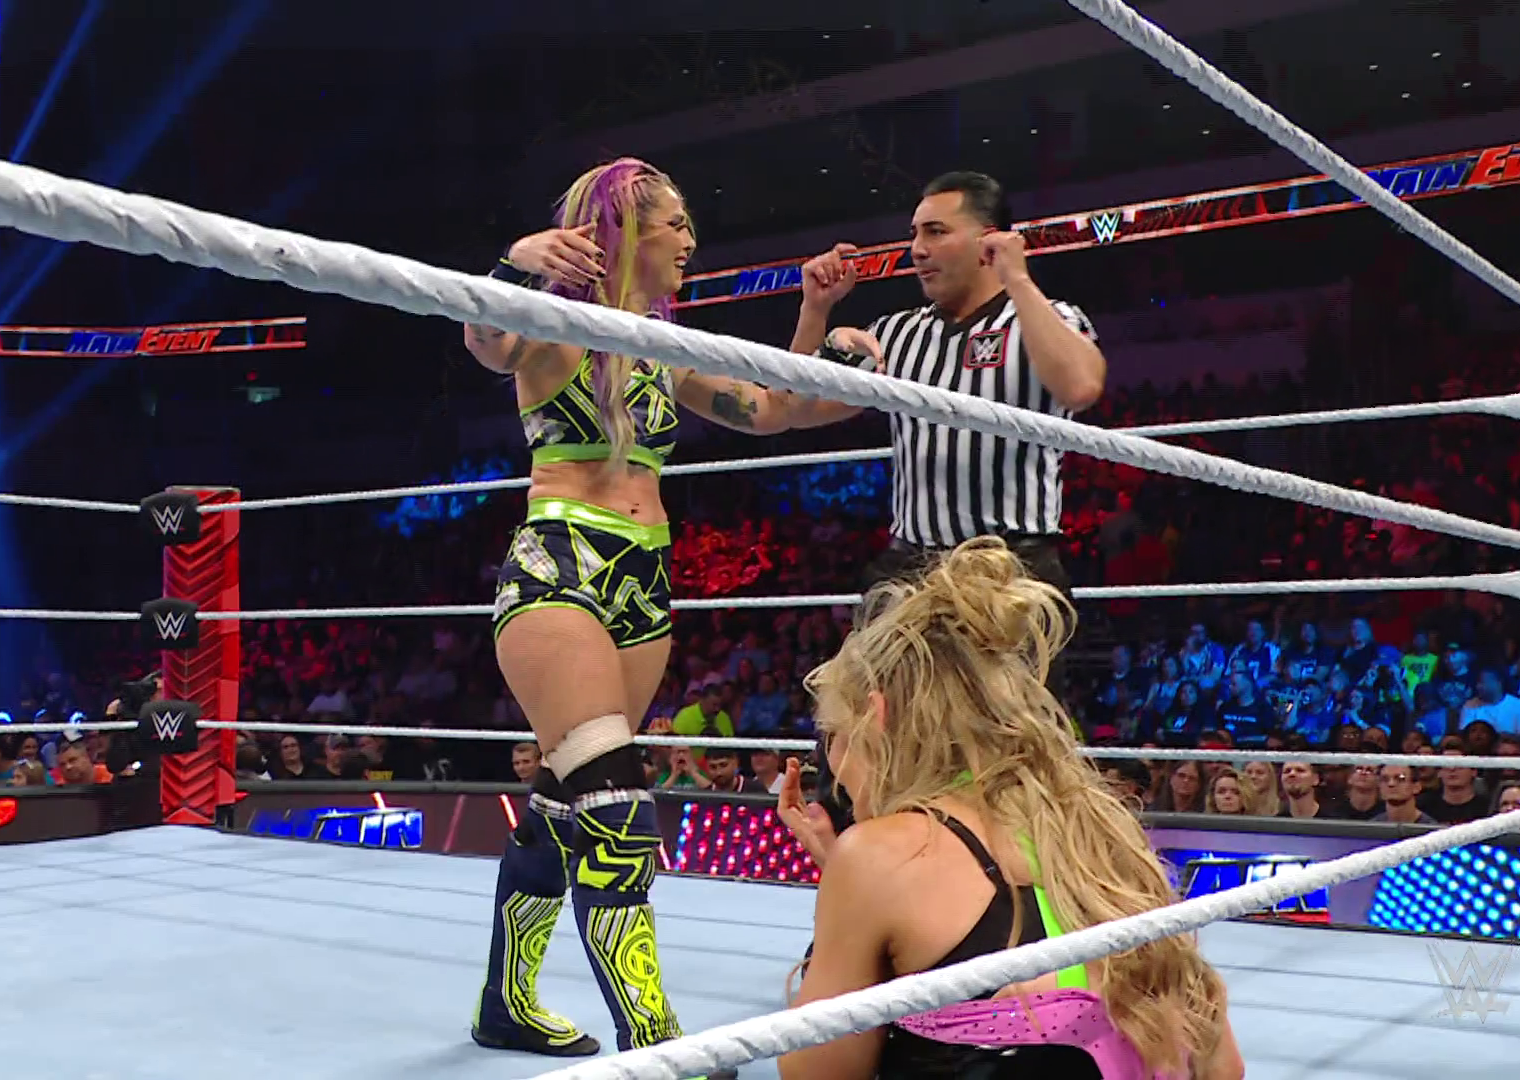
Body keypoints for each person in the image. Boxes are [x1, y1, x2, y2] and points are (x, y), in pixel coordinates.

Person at [461, 156, 850, 1066]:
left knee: (567, 799)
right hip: (560, 568)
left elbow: (773, 410)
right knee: (618, 811)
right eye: (673, 223)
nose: (689, 240)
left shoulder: (664, 348)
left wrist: (815, 315)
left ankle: (505, 1004)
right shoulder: (555, 325)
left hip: (643, 581)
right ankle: (657, 1044)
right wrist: (517, 260)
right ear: (623, 232)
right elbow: (487, 341)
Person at [772, 538, 1241, 1079]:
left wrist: (847, 895)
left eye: (832, 735)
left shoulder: (877, 858)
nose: (834, 767)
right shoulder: (1107, 834)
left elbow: (815, 1072)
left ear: (875, 718)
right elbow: (1223, 1065)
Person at [786, 171, 1107, 831]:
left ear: (988, 241)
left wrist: (1018, 280)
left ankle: (1012, 885)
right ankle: (858, 873)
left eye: (935, 232)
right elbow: (791, 406)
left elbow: (1080, 385)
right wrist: (816, 311)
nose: (917, 249)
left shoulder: (1044, 319)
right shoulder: (898, 335)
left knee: (1013, 753)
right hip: (911, 567)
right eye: (914, 233)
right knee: (856, 733)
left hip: (1011, 570)